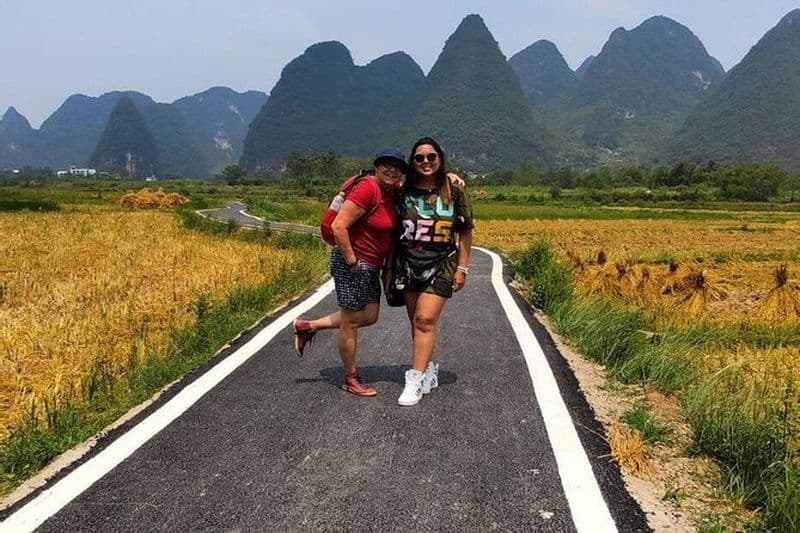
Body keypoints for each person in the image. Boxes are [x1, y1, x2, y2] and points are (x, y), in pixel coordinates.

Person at [292, 147, 407, 396]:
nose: (391, 169)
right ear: (376, 167)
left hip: (371, 265)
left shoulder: (393, 193)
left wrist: (450, 178)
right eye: (386, 164)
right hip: (353, 264)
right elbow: (339, 226)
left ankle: (307, 325)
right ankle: (351, 378)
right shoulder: (368, 188)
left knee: (369, 315)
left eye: (397, 167)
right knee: (352, 321)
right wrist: (353, 261)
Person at [395, 137, 474, 406]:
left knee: (425, 320)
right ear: (412, 162)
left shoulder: (453, 190)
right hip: (408, 264)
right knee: (416, 323)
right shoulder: (402, 189)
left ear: (440, 158)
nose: (425, 162)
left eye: (431, 157)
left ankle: (414, 379)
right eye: (419, 158)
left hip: (442, 262)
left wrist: (462, 267)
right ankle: (428, 370)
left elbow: (465, 232)